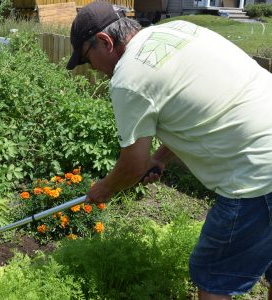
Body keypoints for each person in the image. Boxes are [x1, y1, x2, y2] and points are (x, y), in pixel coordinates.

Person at [66, 2, 272, 299]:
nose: (95, 71)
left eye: (87, 60)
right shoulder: (179, 30)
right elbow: (195, 106)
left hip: (258, 172)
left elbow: (132, 166)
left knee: (214, 277)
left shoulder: (128, 78)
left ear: (104, 41)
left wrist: (105, 189)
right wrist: (160, 159)